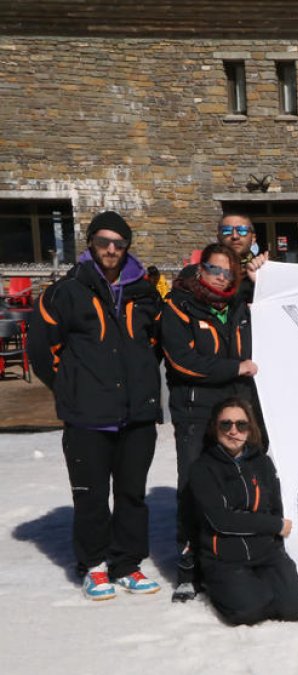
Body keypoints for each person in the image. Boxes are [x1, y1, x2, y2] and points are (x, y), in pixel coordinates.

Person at [28, 211, 164, 600]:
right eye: (103, 241)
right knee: (91, 495)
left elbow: (153, 345)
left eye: (119, 243)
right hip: (88, 415)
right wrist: (71, 387)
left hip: (136, 414)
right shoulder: (66, 292)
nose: (111, 249)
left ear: (127, 248)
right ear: (90, 243)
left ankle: (127, 564)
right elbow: (41, 349)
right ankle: (95, 565)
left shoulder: (143, 292)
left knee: (132, 494)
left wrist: (139, 379)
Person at [160, 243, 260, 602]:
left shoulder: (240, 304)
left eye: (228, 273)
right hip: (196, 411)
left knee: (239, 483)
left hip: (236, 410)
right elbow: (181, 360)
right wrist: (234, 368)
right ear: (200, 269)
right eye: (214, 269)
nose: (220, 277)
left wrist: (261, 277)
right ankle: (190, 569)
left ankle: (236, 556)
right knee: (194, 486)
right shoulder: (178, 305)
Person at [189, 398, 298, 625]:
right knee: (249, 612)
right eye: (226, 424)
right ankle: (225, 587)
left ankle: (261, 586)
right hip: (225, 558)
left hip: (265, 553)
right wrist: (274, 525)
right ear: (215, 428)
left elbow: (274, 507)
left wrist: (276, 546)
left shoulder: (262, 463)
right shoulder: (203, 469)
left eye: (241, 425)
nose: (233, 431)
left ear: (250, 428)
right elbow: (222, 520)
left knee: (296, 608)